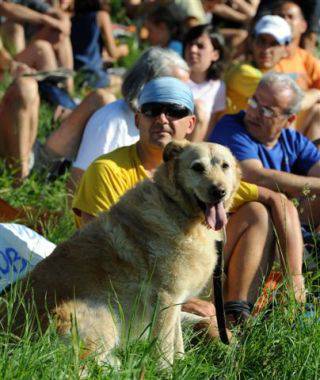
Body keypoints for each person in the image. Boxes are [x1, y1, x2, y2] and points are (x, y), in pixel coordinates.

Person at [73, 76, 305, 331]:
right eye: (152, 110)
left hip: (192, 280)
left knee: (256, 213)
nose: (162, 119)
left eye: (175, 111)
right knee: (212, 336)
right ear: (138, 119)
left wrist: (294, 277)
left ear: (190, 123)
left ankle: (236, 313)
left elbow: (279, 200)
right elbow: (97, 256)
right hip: (136, 292)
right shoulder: (107, 170)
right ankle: (216, 331)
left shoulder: (202, 168)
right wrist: (182, 300)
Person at [68, 47, 190, 194]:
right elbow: (79, 183)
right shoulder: (113, 121)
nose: (183, 96)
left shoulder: (173, 127)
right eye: (174, 88)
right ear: (149, 84)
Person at [209, 72, 320, 231]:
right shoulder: (230, 128)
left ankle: (307, 245)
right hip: (239, 229)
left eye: (267, 111)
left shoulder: (293, 141)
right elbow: (255, 176)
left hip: (287, 222)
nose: (254, 113)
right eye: (253, 102)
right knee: (257, 209)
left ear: (289, 120)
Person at [225, 15, 292, 115]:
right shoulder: (242, 71)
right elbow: (289, 101)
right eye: (262, 41)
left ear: (286, 49)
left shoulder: (278, 72)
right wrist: (317, 93)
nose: (266, 49)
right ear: (252, 42)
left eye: (274, 44)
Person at [274, 1, 320, 143]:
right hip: (275, 123)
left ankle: (313, 161)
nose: (285, 20)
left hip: (301, 128)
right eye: (281, 16)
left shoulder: (307, 60)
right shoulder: (268, 57)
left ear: (303, 26)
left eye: (290, 16)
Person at [183, 23, 227, 141]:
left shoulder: (218, 87)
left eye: (200, 46)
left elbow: (210, 127)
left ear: (215, 54)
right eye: (190, 44)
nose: (192, 49)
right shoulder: (175, 78)